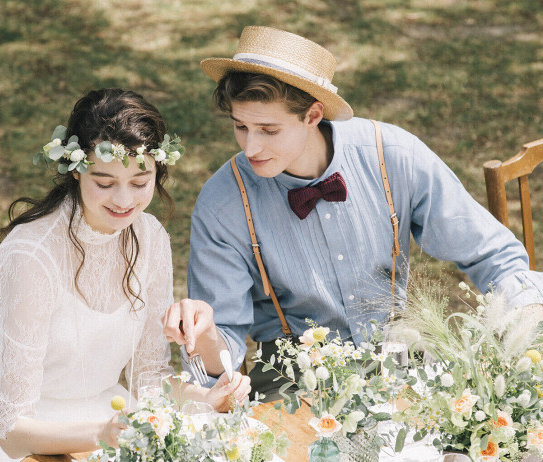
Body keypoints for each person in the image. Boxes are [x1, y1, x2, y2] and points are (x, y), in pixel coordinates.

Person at [162, 26, 543, 401]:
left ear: (312, 115)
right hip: (292, 386)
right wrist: (208, 333)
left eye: (268, 129)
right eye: (240, 127)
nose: (250, 147)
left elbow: (494, 256)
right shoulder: (223, 202)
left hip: (402, 365)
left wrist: (527, 314)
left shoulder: (392, 154)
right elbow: (220, 348)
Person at [0, 88, 250, 462]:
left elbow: (148, 377)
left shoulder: (150, 237)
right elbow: (11, 431)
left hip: (111, 422)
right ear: (76, 169)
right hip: (19, 450)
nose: (124, 200)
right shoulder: (32, 257)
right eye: (104, 182)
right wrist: (101, 434)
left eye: (140, 182)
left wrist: (205, 398)